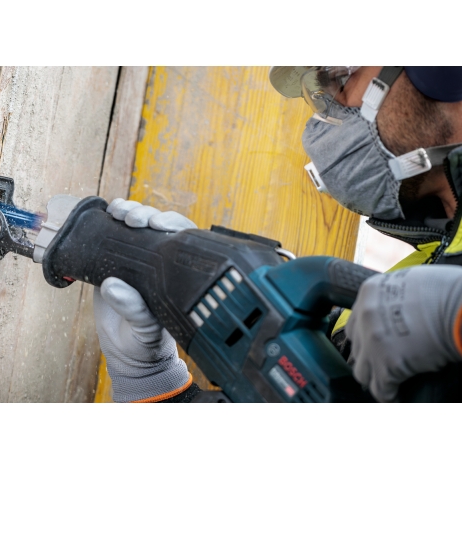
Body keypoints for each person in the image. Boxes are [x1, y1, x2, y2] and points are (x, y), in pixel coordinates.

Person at [94, 67, 462, 403]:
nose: (326, 112)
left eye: (343, 77)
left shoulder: (442, 301)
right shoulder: (430, 267)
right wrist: (154, 383)